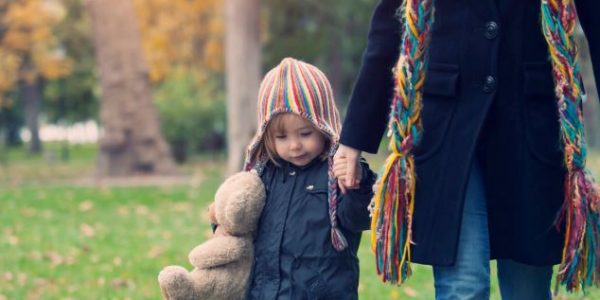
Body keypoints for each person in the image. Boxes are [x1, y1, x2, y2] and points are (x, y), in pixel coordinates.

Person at [334, 0, 600, 299]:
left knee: (528, 289)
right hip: (447, 129)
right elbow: (389, 29)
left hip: (531, 126)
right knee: (464, 287)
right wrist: (354, 139)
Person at [243, 57, 376, 299]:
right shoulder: (262, 175)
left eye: (305, 133)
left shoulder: (339, 170)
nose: (294, 146)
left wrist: (357, 184)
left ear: (323, 125)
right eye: (281, 137)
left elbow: (359, 219)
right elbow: (239, 222)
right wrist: (221, 221)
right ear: (266, 136)